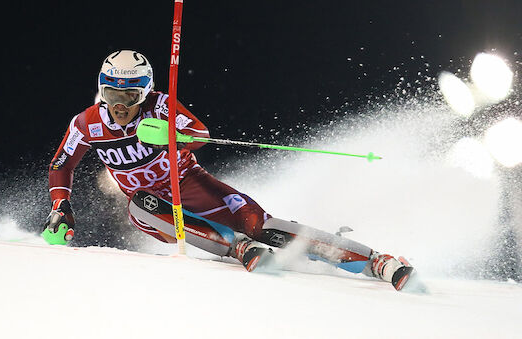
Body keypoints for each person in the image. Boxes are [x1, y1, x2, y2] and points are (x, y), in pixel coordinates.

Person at [44, 50, 413, 290]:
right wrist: (61, 206)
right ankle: (237, 249)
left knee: (261, 225)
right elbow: (62, 164)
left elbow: (201, 133)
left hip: (190, 183)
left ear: (145, 91)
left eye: (129, 96)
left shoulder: (161, 105)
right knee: (138, 205)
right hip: (154, 207)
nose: (120, 105)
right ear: (101, 91)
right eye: (112, 95)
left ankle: (376, 261)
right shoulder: (86, 124)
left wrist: (173, 136)